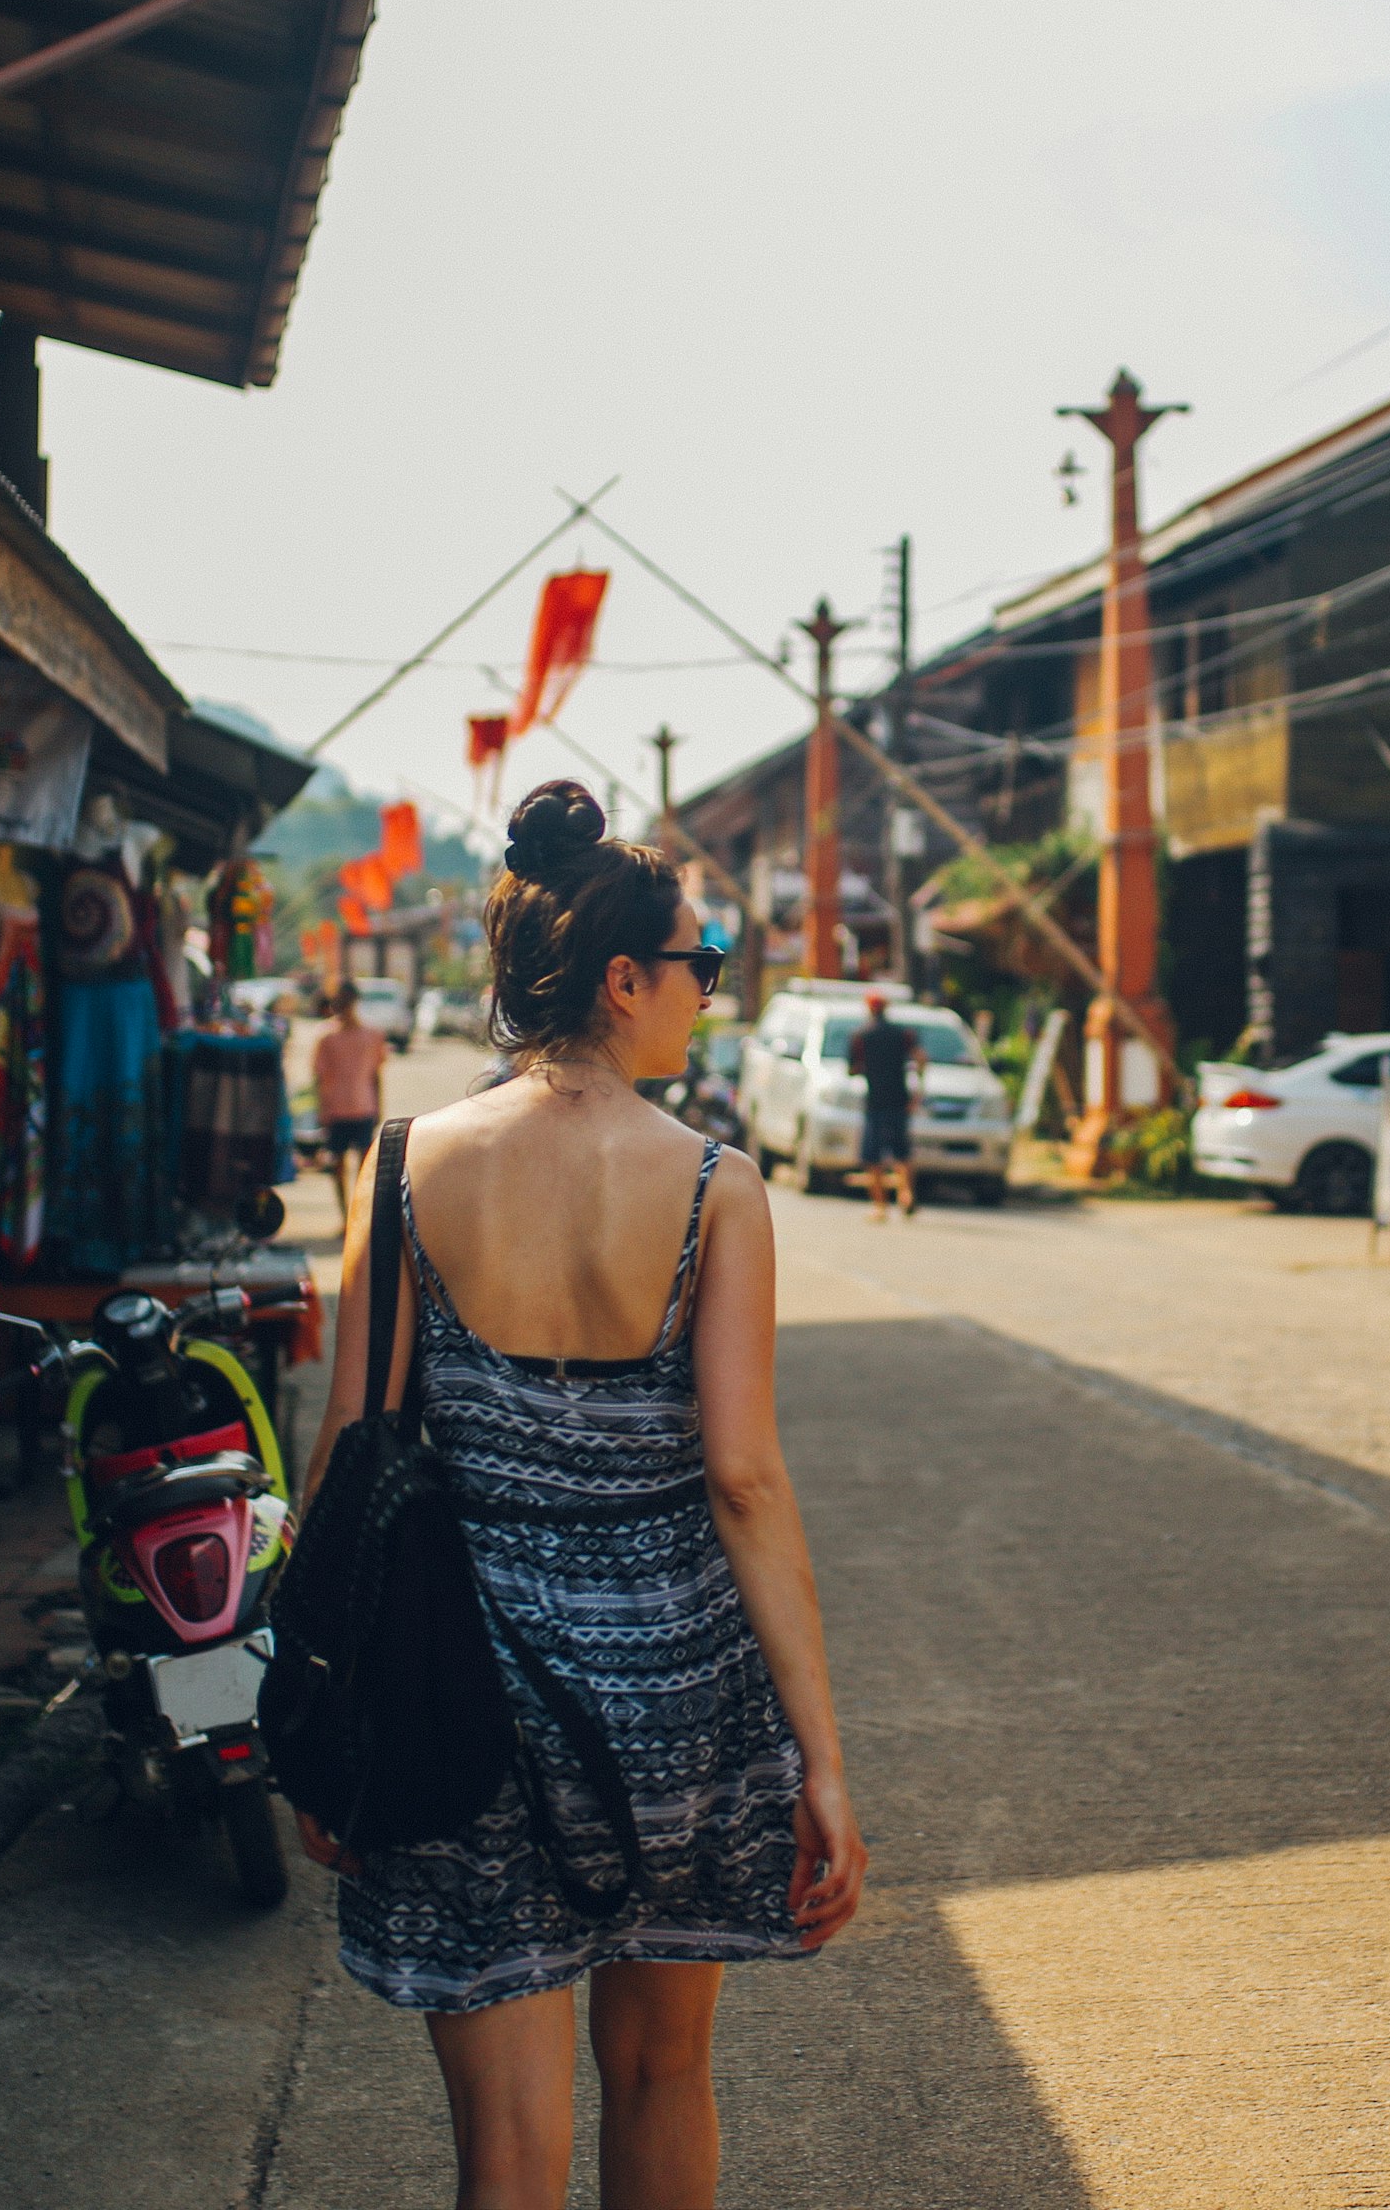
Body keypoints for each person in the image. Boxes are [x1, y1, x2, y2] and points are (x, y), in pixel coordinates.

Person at [299, 779, 865, 2210]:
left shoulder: (410, 1167)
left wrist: (317, 1704)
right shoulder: (714, 1187)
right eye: (700, 969)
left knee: (507, 2145)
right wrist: (822, 1757)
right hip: (675, 1690)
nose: (709, 998)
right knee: (666, 2077)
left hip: (460, 1689)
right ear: (624, 980)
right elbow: (741, 1478)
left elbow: (349, 1453)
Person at [309, 982, 387, 1232]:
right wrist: (321, 1110)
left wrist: (378, 1107)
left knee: (365, 1170)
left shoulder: (372, 1035)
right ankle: (347, 1218)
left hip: (363, 1108)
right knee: (338, 1167)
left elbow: (376, 1075)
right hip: (337, 1110)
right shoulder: (327, 1037)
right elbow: (319, 1079)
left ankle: (362, 1218)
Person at [849, 991, 919, 1222]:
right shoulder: (902, 1033)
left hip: (875, 1101)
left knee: (873, 1157)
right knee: (902, 1152)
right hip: (900, 1099)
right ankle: (906, 1194)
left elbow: (853, 1068)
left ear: (869, 1009)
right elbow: (921, 1057)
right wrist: (918, 1089)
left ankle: (880, 1205)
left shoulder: (861, 1035)